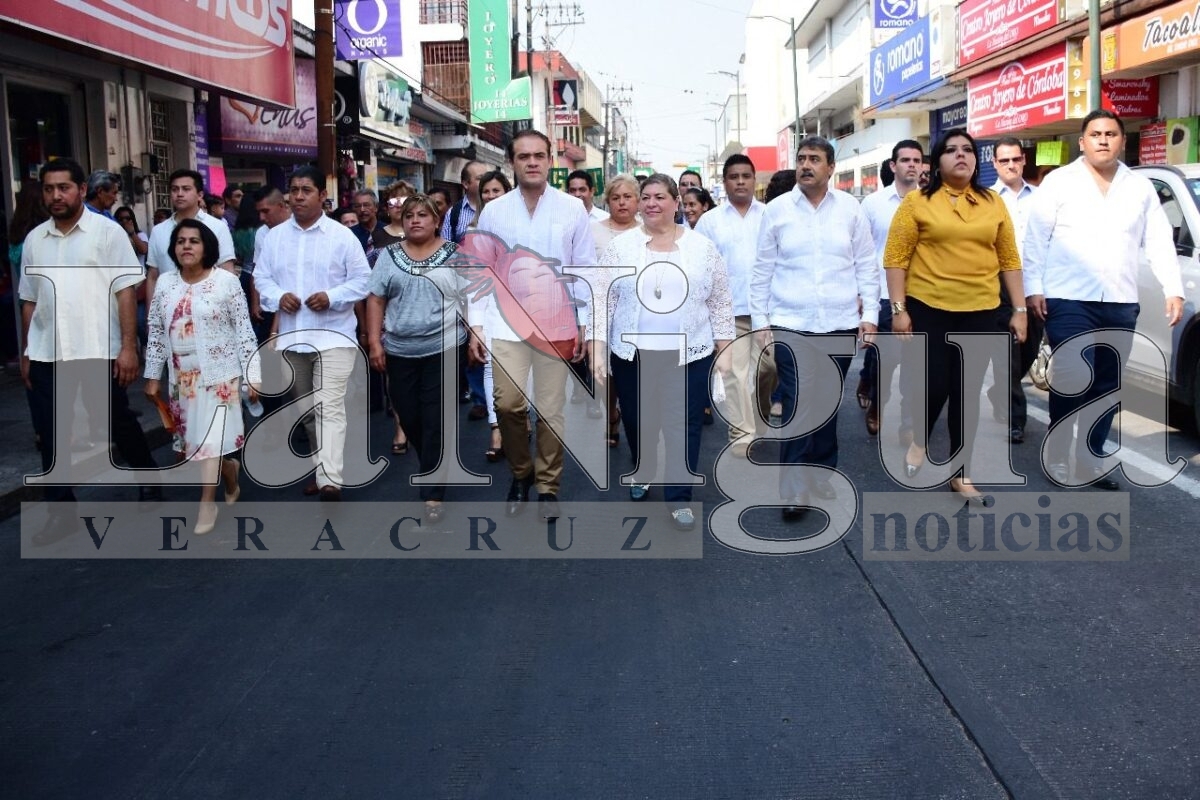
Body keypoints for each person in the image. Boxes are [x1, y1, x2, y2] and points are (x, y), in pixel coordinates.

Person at [1023, 110, 1184, 489]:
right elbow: (1035, 239)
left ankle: (1088, 459)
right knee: (1074, 375)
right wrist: (1033, 288)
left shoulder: (1139, 187)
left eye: (1111, 133)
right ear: (1082, 142)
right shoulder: (1060, 182)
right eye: (1095, 133)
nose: (1103, 140)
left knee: (1107, 384)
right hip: (1068, 297)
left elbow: (1159, 240)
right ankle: (1058, 454)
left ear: (1122, 141)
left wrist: (1172, 287)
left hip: (1119, 299)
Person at [19, 158, 161, 543]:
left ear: (82, 190)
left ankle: (147, 474)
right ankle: (61, 510)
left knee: (114, 419)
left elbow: (126, 291)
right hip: (49, 352)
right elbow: (29, 301)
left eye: (63, 187)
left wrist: (128, 348)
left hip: (98, 347)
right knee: (50, 433)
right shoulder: (36, 239)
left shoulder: (107, 233)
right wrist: (28, 350)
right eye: (49, 189)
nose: (56, 195)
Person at [884, 128, 1027, 505]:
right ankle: (920, 441)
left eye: (967, 150)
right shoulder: (916, 203)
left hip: (980, 311)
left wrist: (1020, 309)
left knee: (966, 393)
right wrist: (899, 311)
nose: (960, 156)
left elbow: (1009, 259)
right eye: (951, 150)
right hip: (930, 309)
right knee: (934, 386)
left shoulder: (992, 202)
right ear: (938, 160)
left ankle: (960, 473)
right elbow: (895, 259)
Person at [595, 173, 734, 530]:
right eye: (646, 197)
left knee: (683, 424)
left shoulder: (701, 247)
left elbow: (719, 300)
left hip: (689, 353)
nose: (651, 203)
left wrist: (725, 348)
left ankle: (679, 495)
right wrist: (596, 348)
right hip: (634, 353)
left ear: (676, 202)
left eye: (660, 196)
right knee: (638, 418)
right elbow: (602, 298)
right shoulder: (621, 247)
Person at [470, 130, 596, 520]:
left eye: (539, 155)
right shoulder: (494, 211)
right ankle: (521, 472)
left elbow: (585, 271)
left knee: (552, 411)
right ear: (512, 161)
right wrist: (476, 325)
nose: (532, 162)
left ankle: (547, 485)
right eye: (524, 156)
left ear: (550, 159)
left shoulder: (571, 209)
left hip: (556, 327)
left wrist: (586, 325)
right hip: (504, 325)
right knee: (508, 405)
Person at [752, 136, 878, 521]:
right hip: (792, 322)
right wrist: (761, 322)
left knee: (827, 399)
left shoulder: (851, 212)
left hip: (839, 322)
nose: (806, 165)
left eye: (814, 159)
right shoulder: (776, 211)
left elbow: (866, 266)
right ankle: (793, 488)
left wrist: (869, 314)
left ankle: (823, 469)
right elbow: (762, 271)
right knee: (798, 403)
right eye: (801, 158)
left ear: (830, 168)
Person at [253, 166, 371, 501]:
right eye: (294, 189)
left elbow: (363, 280)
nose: (299, 196)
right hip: (294, 335)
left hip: (335, 335)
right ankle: (322, 465)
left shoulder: (341, 236)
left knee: (329, 404)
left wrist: (332, 297)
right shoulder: (274, 238)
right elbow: (262, 279)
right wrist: (279, 297)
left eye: (307, 189)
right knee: (306, 409)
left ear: (322, 195)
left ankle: (329, 478)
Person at [143, 219, 260, 534]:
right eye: (181, 241)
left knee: (208, 441)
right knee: (196, 444)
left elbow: (244, 333)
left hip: (220, 375)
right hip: (182, 377)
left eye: (194, 241)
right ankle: (230, 473)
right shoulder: (166, 283)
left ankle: (206, 502)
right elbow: (155, 331)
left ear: (206, 246)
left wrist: (252, 376)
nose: (186, 246)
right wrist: (152, 375)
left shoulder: (226, 282)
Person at [366, 195, 471, 522]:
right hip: (400, 349)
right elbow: (376, 299)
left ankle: (432, 490)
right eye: (409, 214)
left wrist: (478, 340)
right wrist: (374, 342)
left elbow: (471, 300)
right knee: (409, 416)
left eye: (423, 215)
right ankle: (435, 461)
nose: (415, 220)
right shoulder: (389, 256)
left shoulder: (455, 256)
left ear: (436, 220)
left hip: (446, 346)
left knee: (435, 417)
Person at [696, 153, 771, 459]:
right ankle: (741, 434)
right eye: (733, 177)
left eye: (746, 176)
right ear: (724, 182)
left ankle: (759, 421)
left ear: (755, 180)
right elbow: (700, 266)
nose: (740, 182)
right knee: (735, 374)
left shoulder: (770, 215)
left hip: (767, 309)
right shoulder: (709, 222)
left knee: (768, 370)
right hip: (728, 311)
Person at [858, 140, 924, 439]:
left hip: (923, 296)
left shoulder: (933, 202)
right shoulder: (872, 205)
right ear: (893, 166)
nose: (912, 164)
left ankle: (908, 422)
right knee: (885, 361)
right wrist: (862, 295)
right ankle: (877, 405)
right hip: (884, 296)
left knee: (916, 364)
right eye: (906, 160)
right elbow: (861, 252)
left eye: (917, 160)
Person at [988, 136, 1043, 445]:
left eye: (1015, 159)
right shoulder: (985, 199)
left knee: (1030, 346)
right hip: (997, 285)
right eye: (1003, 160)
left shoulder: (1041, 198)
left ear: (1023, 160)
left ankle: (1000, 391)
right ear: (995, 164)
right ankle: (1016, 418)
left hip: (1034, 283)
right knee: (1007, 351)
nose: (1010, 165)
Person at [589, 173, 641, 448]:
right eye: (615, 197)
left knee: (633, 374)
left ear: (638, 201)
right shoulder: (593, 231)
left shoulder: (649, 230)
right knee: (604, 374)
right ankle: (611, 415)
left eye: (628, 197)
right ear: (607, 201)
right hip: (603, 313)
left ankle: (634, 421)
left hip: (639, 316)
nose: (622, 203)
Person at [146, 169, 235, 304]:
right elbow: (153, 276)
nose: (179, 194)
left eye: (186, 189)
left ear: (200, 195)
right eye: (175, 189)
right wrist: (150, 318)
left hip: (209, 309)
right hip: (169, 310)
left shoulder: (217, 227)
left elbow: (227, 271)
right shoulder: (158, 231)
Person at [441, 160, 489, 244]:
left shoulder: (500, 208)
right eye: (480, 178)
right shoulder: (453, 213)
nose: (486, 182)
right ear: (466, 184)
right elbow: (446, 248)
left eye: (487, 177)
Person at [348, 190, 385, 256]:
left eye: (366, 205)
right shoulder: (350, 234)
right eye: (358, 206)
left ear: (376, 207)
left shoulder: (388, 231)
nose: (362, 209)